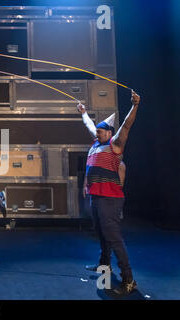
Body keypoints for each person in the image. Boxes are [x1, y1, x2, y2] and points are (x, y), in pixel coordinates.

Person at [77, 90, 140, 296]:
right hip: (97, 196)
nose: (97, 133)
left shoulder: (115, 146)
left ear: (109, 133)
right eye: (97, 131)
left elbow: (127, 126)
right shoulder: (95, 144)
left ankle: (129, 280)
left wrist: (134, 105)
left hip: (110, 199)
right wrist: (84, 113)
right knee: (102, 234)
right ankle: (105, 265)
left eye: (101, 131)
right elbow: (88, 126)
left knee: (113, 237)